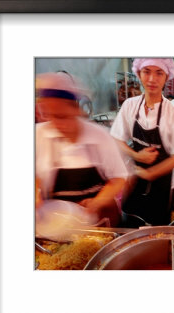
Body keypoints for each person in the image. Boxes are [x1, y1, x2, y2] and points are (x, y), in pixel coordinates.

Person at [35, 71, 128, 226]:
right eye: (51, 116)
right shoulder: (39, 134)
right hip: (56, 223)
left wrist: (97, 202)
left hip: (98, 222)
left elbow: (119, 178)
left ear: (75, 108)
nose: (57, 124)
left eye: (62, 116)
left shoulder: (99, 136)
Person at [110, 58, 174, 227]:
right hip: (134, 179)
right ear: (139, 74)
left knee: (157, 230)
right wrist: (136, 155)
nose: (152, 79)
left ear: (166, 76)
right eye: (146, 71)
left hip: (161, 184)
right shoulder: (129, 106)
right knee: (130, 225)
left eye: (159, 73)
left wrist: (150, 173)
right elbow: (117, 138)